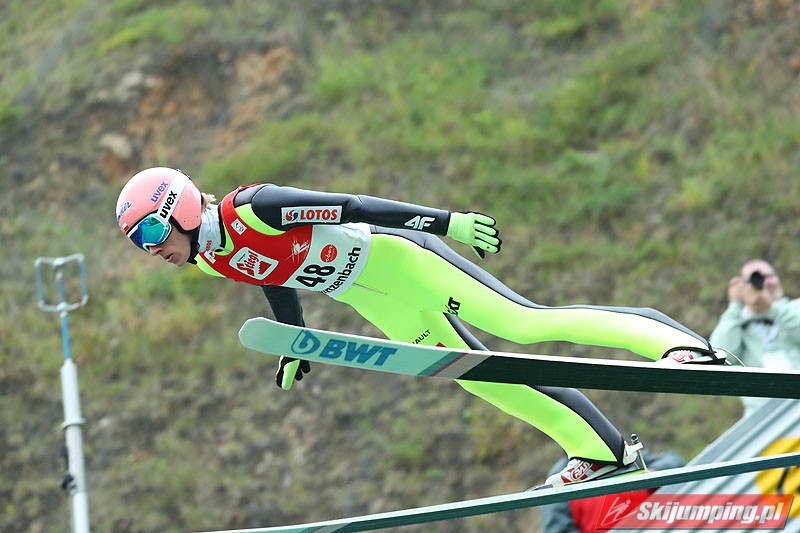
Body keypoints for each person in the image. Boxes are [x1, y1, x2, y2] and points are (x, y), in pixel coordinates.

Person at [115, 167, 726, 486]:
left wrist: (445, 222)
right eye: (139, 244)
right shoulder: (211, 259)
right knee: (475, 375)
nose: (152, 249)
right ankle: (601, 452)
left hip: (403, 262)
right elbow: (275, 276)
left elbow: (352, 206)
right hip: (370, 298)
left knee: (523, 324)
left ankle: (680, 344)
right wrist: (296, 341)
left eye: (152, 231)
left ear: (182, 208)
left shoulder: (257, 207)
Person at [710, 259, 800, 416]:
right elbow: (719, 356)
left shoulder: (794, 308)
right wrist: (735, 305)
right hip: (762, 414)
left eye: (769, 276)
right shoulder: (736, 321)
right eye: (755, 279)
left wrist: (770, 309)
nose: (764, 283)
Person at [540, 450, 685, 533]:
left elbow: (674, 462)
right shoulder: (559, 480)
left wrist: (652, 475)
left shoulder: (621, 455)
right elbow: (558, 529)